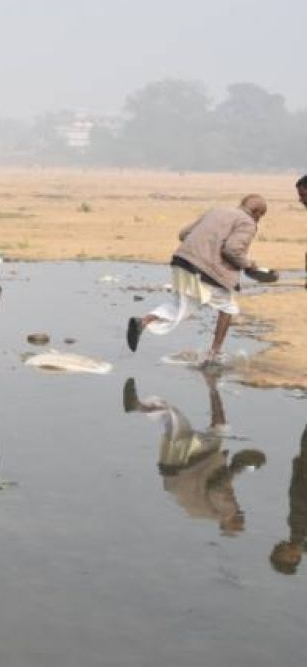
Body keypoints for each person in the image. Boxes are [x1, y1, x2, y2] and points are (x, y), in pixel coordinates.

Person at [127, 194, 267, 363]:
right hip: (205, 271)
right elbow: (232, 250)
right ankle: (214, 354)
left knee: (179, 305)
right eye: (261, 215)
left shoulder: (216, 210)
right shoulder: (248, 222)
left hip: (182, 262)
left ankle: (142, 322)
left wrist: (207, 243)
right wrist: (249, 265)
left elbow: (183, 234)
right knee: (227, 308)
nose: (259, 219)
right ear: (257, 212)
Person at [123, 375, 265, 535]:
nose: (241, 518)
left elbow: (217, 488)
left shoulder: (227, 511)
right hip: (173, 473)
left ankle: (212, 385)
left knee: (217, 427)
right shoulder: (205, 514)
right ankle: (138, 405)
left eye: (238, 523)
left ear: (229, 522)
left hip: (190, 466)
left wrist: (237, 468)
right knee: (174, 419)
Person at [270, 425, 307, 575]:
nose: (276, 546)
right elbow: (299, 500)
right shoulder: (299, 532)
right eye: (278, 551)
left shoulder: (297, 532)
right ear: (292, 557)